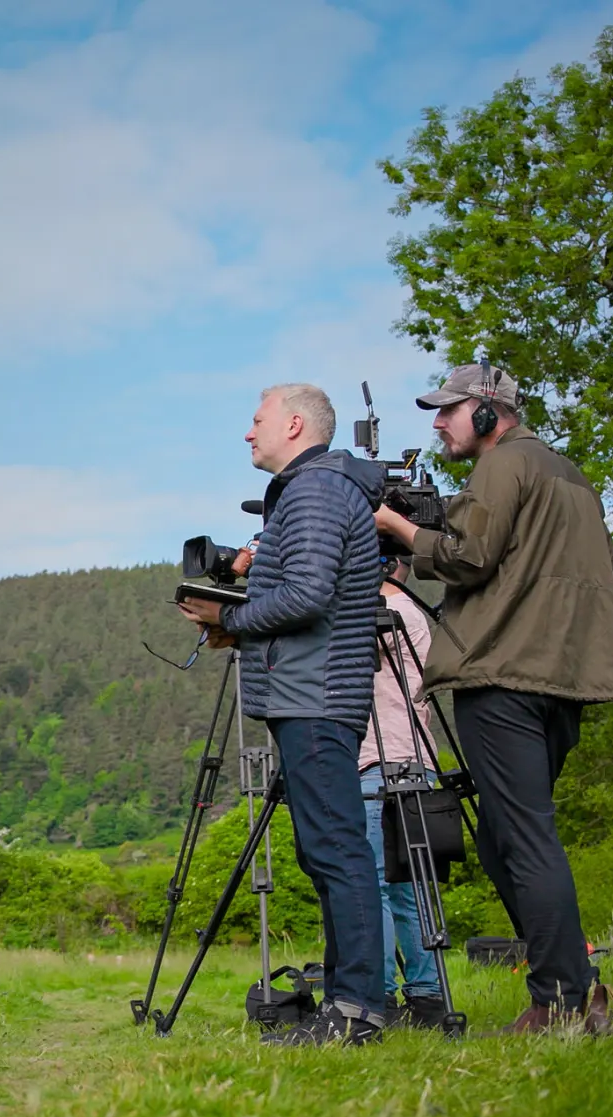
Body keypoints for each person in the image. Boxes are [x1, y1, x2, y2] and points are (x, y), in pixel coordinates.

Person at [374, 361, 613, 1035]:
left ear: (487, 414)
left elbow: (469, 556)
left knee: (524, 835)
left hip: (506, 677)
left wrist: (394, 526)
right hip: (561, 677)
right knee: (498, 842)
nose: (437, 424)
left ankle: (564, 1002)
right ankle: (572, 987)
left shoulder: (502, 465)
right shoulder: (570, 476)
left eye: (448, 410)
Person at [180, 383, 388, 1046]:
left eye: (257, 419)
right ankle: (345, 1003)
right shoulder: (312, 489)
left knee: (336, 848)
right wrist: (235, 629)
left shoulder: (317, 490)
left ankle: (356, 1012)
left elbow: (307, 594)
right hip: (308, 692)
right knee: (324, 848)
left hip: (317, 695)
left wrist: (232, 616)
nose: (249, 432)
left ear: (295, 424)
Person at [359, 557, 448, 1029]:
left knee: (372, 885)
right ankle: (428, 997)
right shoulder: (412, 611)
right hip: (414, 759)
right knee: (410, 888)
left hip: (379, 758)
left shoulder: (387, 613)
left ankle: (379, 997)